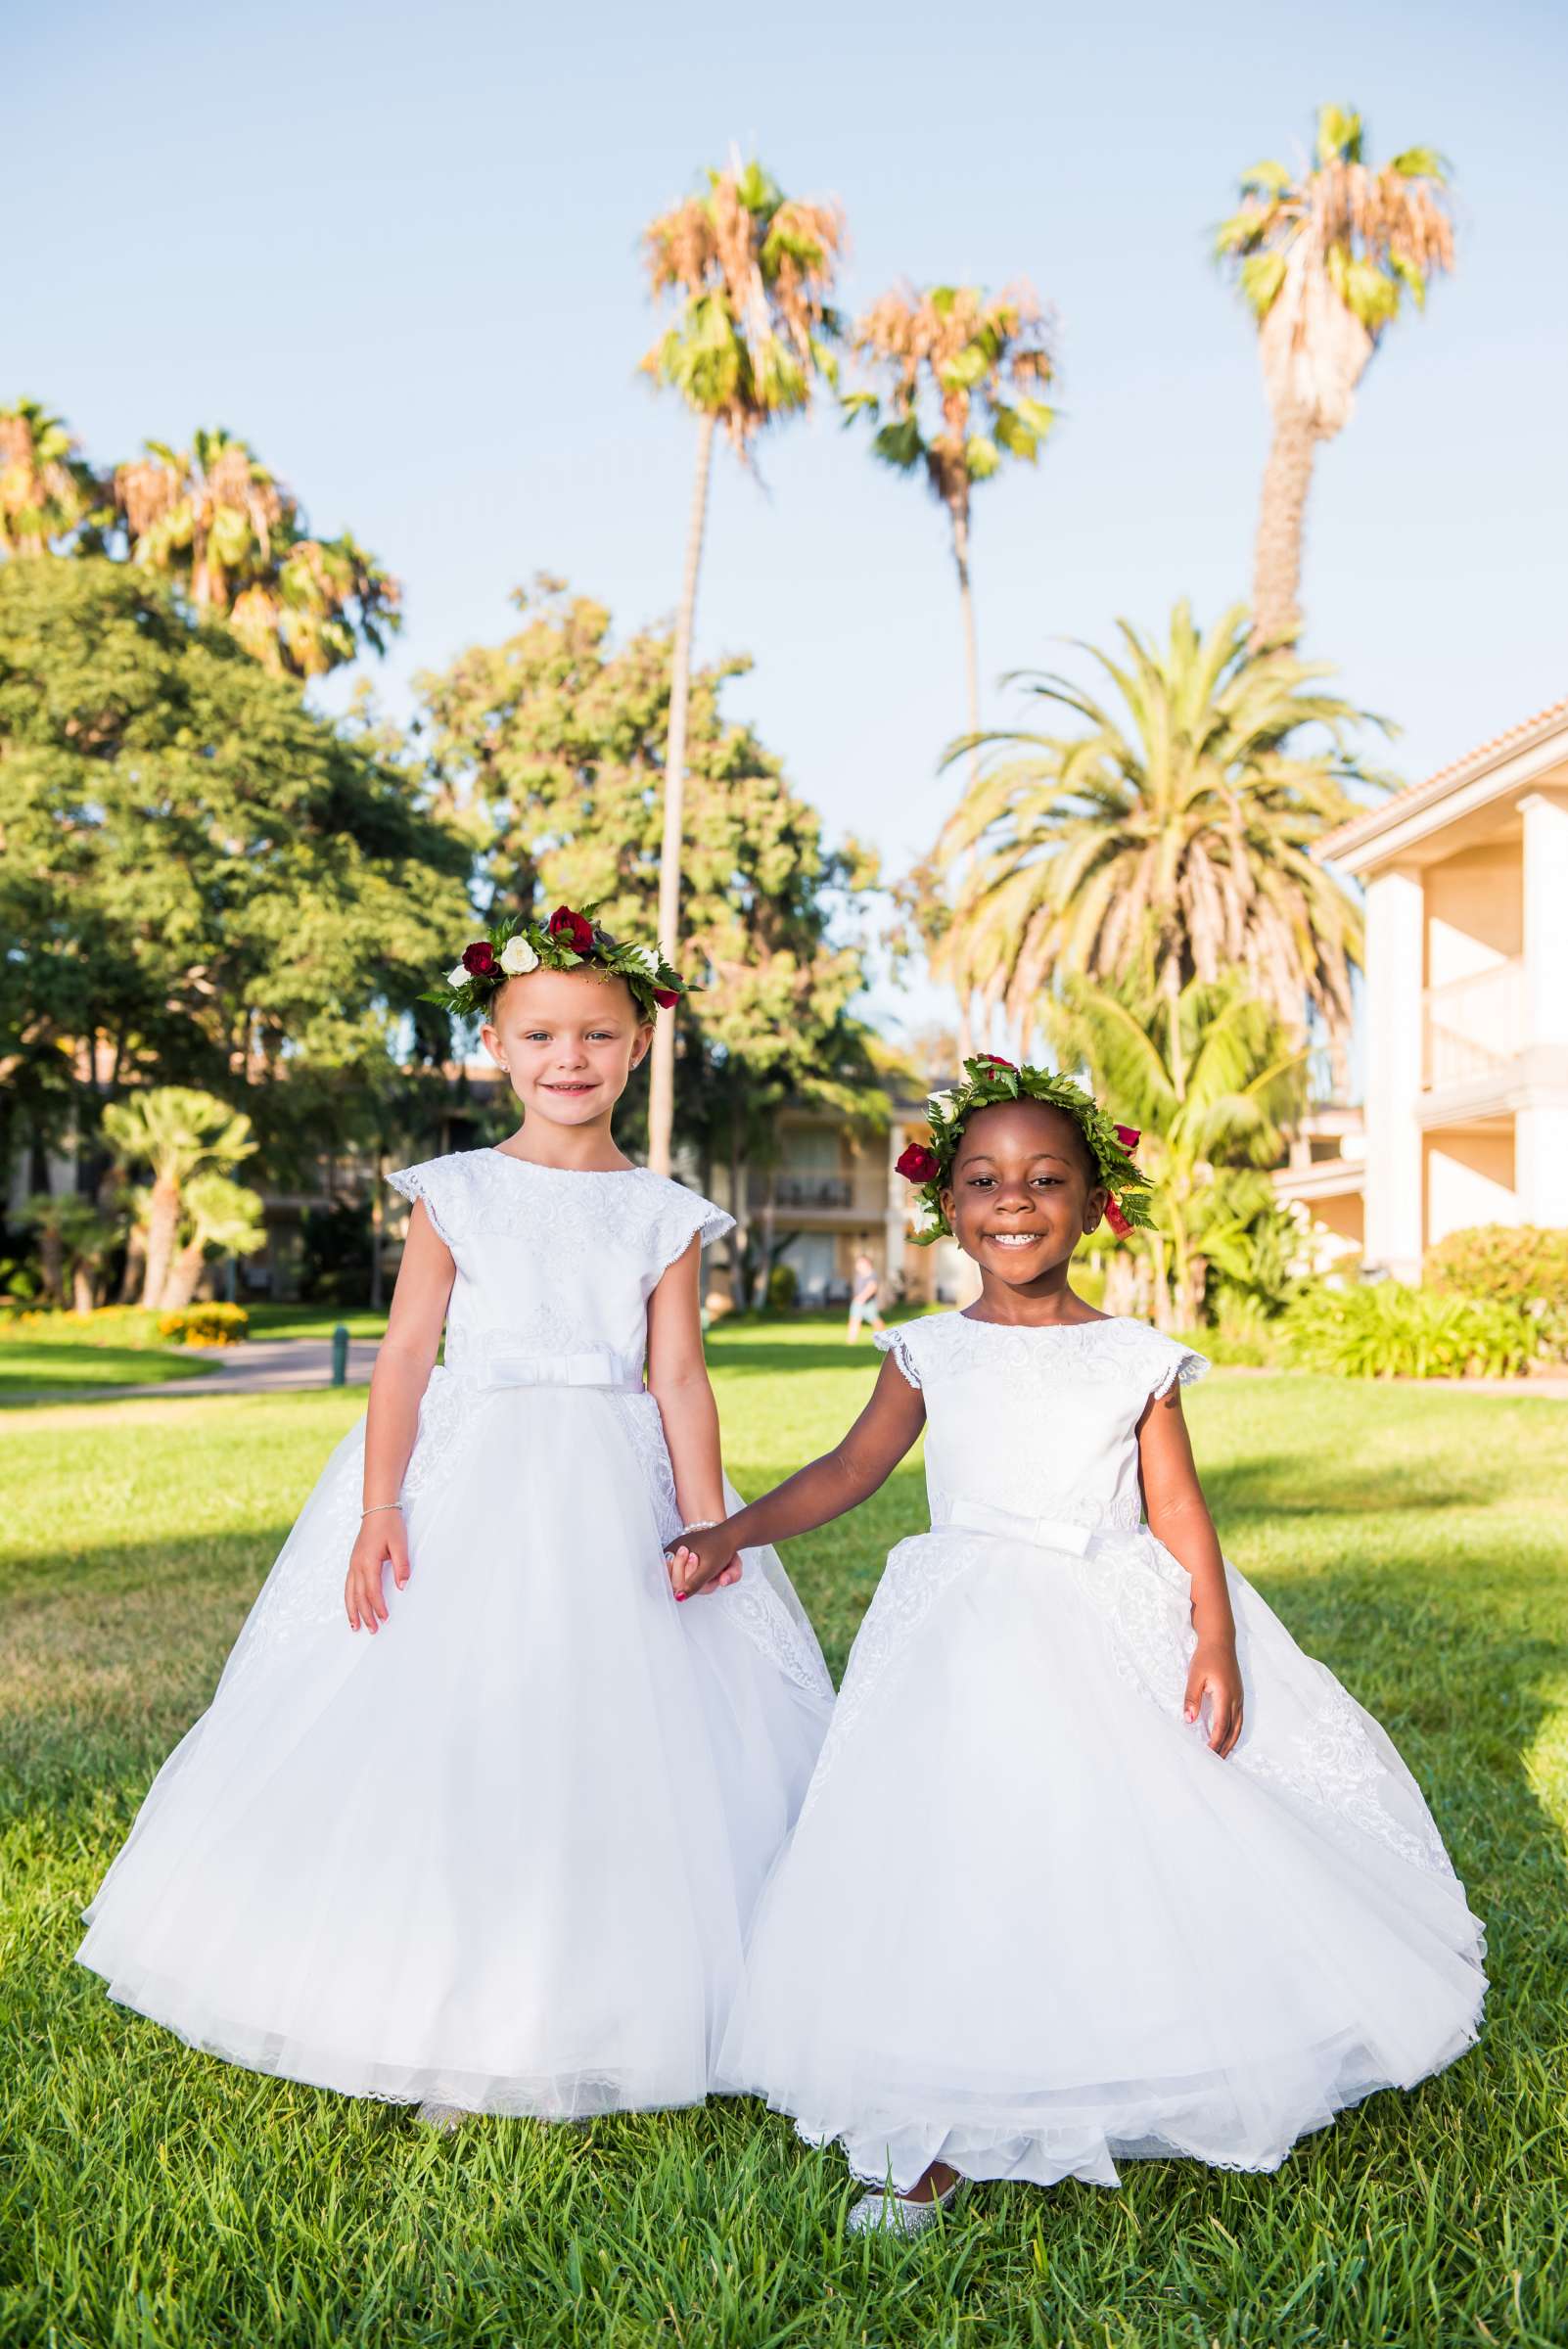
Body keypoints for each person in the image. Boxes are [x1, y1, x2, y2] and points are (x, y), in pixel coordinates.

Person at [668, 1058, 1487, 2234]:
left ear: (1096, 1199)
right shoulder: (926, 1352)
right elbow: (852, 1472)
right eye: (987, 1179)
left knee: (1108, 1845)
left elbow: (1180, 1510)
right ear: (946, 1203)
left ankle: (1117, 2049)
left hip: (1106, 1620)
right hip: (956, 1633)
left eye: (1047, 1178)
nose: (1015, 1201)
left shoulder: (1133, 1357)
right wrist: (732, 1529)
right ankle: (931, 2124)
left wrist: (1214, 1633)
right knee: (952, 1850)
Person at [78, 907, 833, 2124]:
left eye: (596, 1035)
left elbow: (679, 1375)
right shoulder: (458, 1190)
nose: (568, 1058)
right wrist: (381, 1504)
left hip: (612, 1472)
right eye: (540, 1035)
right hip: (471, 1469)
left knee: (621, 1717)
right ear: (496, 1043)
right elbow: (404, 1356)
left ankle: (620, 1985)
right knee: (458, 1702)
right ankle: (424, 1980)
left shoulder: (663, 1213)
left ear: (640, 1045)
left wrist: (707, 1523)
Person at [846, 1247, 885, 1344]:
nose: (858, 1266)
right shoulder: (859, 1275)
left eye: (860, 1263)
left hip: (867, 1302)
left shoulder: (871, 1274)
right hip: (858, 1302)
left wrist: (862, 1297)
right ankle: (851, 1340)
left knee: (875, 1321)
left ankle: (885, 1337)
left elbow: (872, 1287)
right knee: (854, 1320)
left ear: (867, 1264)